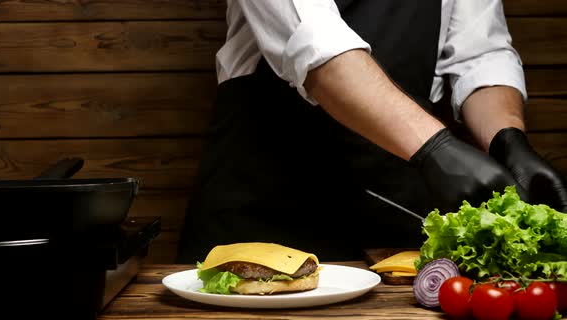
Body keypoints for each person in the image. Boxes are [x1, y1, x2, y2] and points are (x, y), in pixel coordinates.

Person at [176, 0, 567, 262]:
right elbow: (316, 44)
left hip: (390, 209)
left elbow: (479, 51)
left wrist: (508, 139)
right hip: (263, 198)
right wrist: (437, 148)